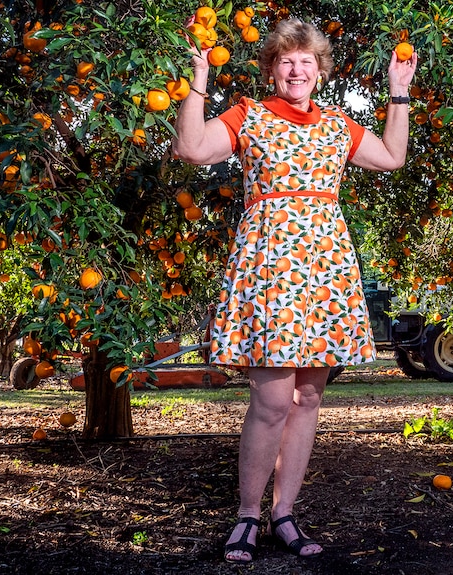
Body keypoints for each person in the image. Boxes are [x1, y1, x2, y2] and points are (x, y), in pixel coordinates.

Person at [173, 18, 417, 564]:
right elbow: (192, 148)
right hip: (269, 270)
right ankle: (246, 517)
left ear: (320, 70)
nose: (296, 68)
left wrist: (399, 92)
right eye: (286, 60)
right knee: (272, 399)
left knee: (308, 397)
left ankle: (284, 514)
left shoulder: (337, 125)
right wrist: (199, 76)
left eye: (306, 60)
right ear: (272, 70)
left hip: (325, 271)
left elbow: (392, 157)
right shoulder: (249, 115)